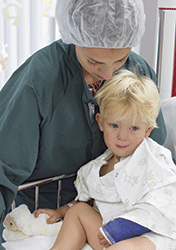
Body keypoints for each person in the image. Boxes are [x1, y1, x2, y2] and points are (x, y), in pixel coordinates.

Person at [0, 0, 167, 248]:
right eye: (94, 62)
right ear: (73, 36)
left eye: (120, 60)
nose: (108, 75)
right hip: (44, 208)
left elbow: (157, 156)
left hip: (122, 211)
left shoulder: (139, 72)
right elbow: (4, 169)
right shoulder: (40, 79)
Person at [37, 69, 176, 250]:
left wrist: (123, 227)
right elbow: (83, 201)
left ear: (147, 130)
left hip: (151, 237)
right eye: (114, 125)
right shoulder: (93, 169)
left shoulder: (154, 158)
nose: (122, 136)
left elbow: (167, 199)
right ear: (101, 122)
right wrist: (60, 212)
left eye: (133, 128)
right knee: (78, 212)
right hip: (108, 235)